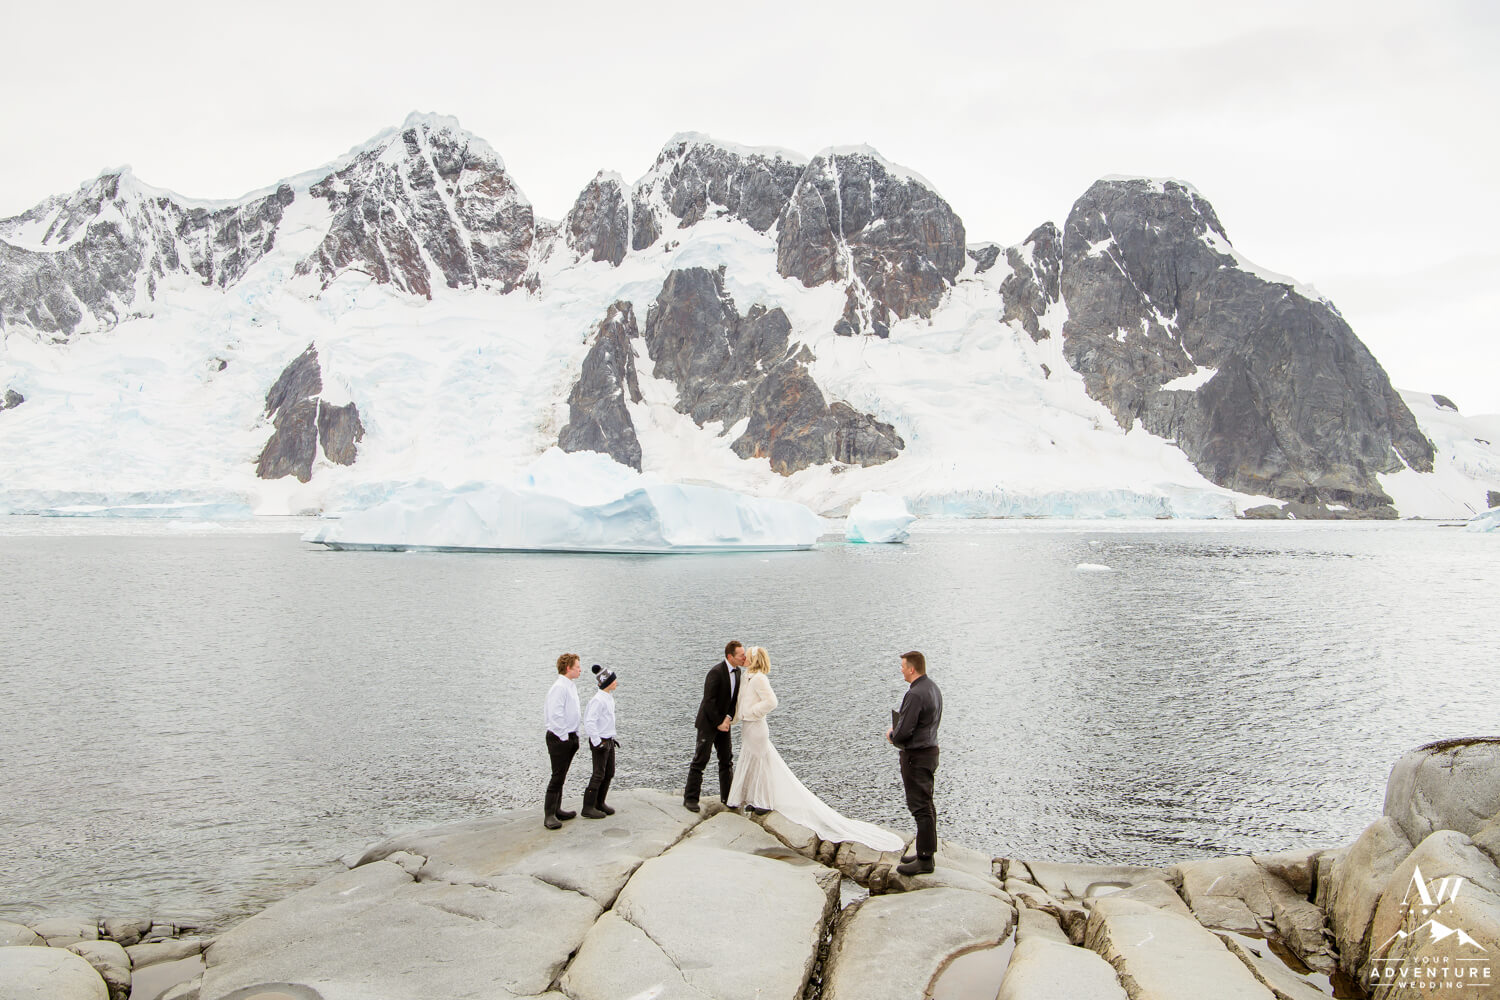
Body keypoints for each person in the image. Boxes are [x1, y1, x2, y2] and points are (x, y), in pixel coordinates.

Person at [727, 647, 903, 852]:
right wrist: (734, 718)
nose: (744, 657)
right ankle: (753, 797)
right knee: (751, 761)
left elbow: (771, 702)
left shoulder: (759, 679)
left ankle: (763, 801)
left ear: (754, 659)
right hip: (747, 728)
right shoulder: (747, 676)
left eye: (748, 655)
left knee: (761, 763)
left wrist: (752, 712)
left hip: (757, 728)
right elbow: (740, 702)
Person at [886, 650, 943, 875]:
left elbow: (904, 731)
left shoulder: (915, 695)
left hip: (916, 756)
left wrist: (892, 735)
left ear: (911, 669)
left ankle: (925, 860)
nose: (901, 670)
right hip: (930, 751)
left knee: (920, 807)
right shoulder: (932, 688)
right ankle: (925, 852)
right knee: (926, 804)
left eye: (903, 666)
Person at [684, 640, 747, 812]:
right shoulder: (716, 672)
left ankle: (728, 798)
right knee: (700, 760)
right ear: (730, 656)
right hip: (708, 723)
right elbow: (708, 701)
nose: (744, 657)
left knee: (726, 760)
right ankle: (690, 798)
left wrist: (728, 719)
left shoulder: (738, 672)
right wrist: (719, 722)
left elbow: (734, 700)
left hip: (724, 723)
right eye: (741, 655)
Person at [543, 653, 583, 830]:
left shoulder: (570, 686)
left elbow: (573, 712)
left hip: (570, 735)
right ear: (568, 668)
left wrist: (575, 734)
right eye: (577, 667)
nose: (580, 670)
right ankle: (549, 815)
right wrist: (565, 737)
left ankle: (557, 809)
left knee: (562, 775)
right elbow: (555, 715)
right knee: (557, 775)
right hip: (559, 737)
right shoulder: (559, 687)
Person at [581, 664, 619, 819]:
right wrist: (597, 742)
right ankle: (588, 807)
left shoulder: (608, 697)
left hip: (608, 739)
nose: (616, 682)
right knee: (598, 774)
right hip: (600, 741)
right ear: (607, 682)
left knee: (609, 772)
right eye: (614, 680)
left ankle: (600, 802)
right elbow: (589, 722)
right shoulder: (598, 700)